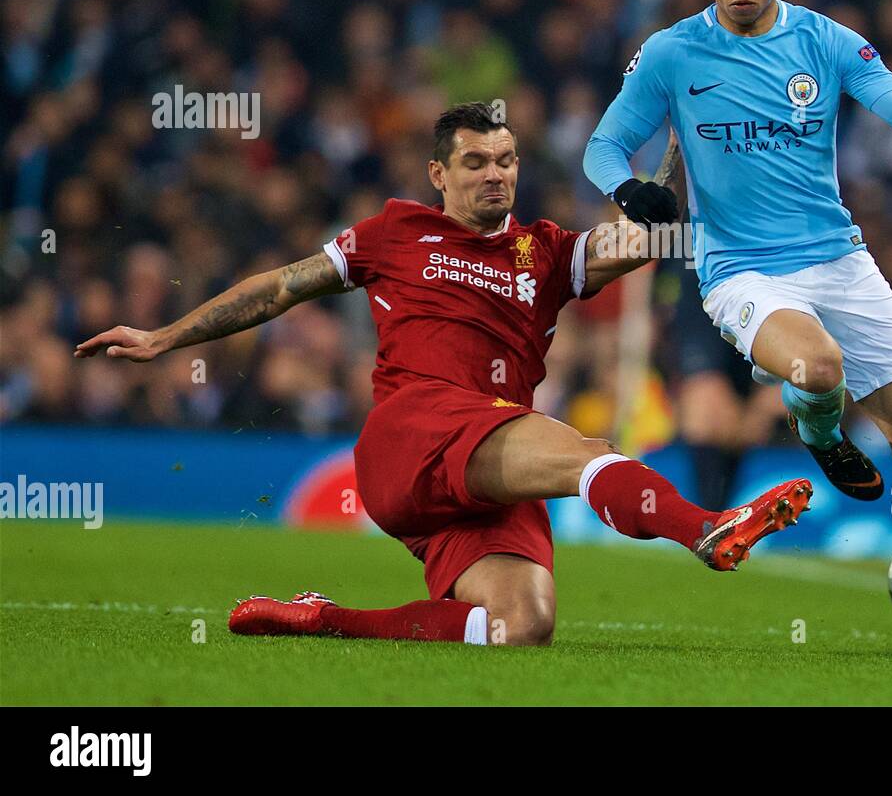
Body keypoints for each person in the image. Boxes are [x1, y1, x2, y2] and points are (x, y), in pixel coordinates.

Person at [75, 101, 812, 647]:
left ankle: (323, 618)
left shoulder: (545, 251)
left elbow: (649, 234)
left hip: (488, 459)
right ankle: (707, 528)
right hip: (414, 433)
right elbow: (281, 286)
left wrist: (676, 153)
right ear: (439, 172)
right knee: (588, 453)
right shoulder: (395, 231)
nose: (496, 175)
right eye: (475, 162)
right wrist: (166, 336)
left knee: (519, 627)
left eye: (506, 161)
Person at [583, 0, 892, 659]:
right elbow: (603, 145)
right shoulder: (672, 54)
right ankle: (818, 429)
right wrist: (630, 189)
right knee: (816, 367)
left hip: (841, 260)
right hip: (741, 270)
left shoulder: (827, 41)